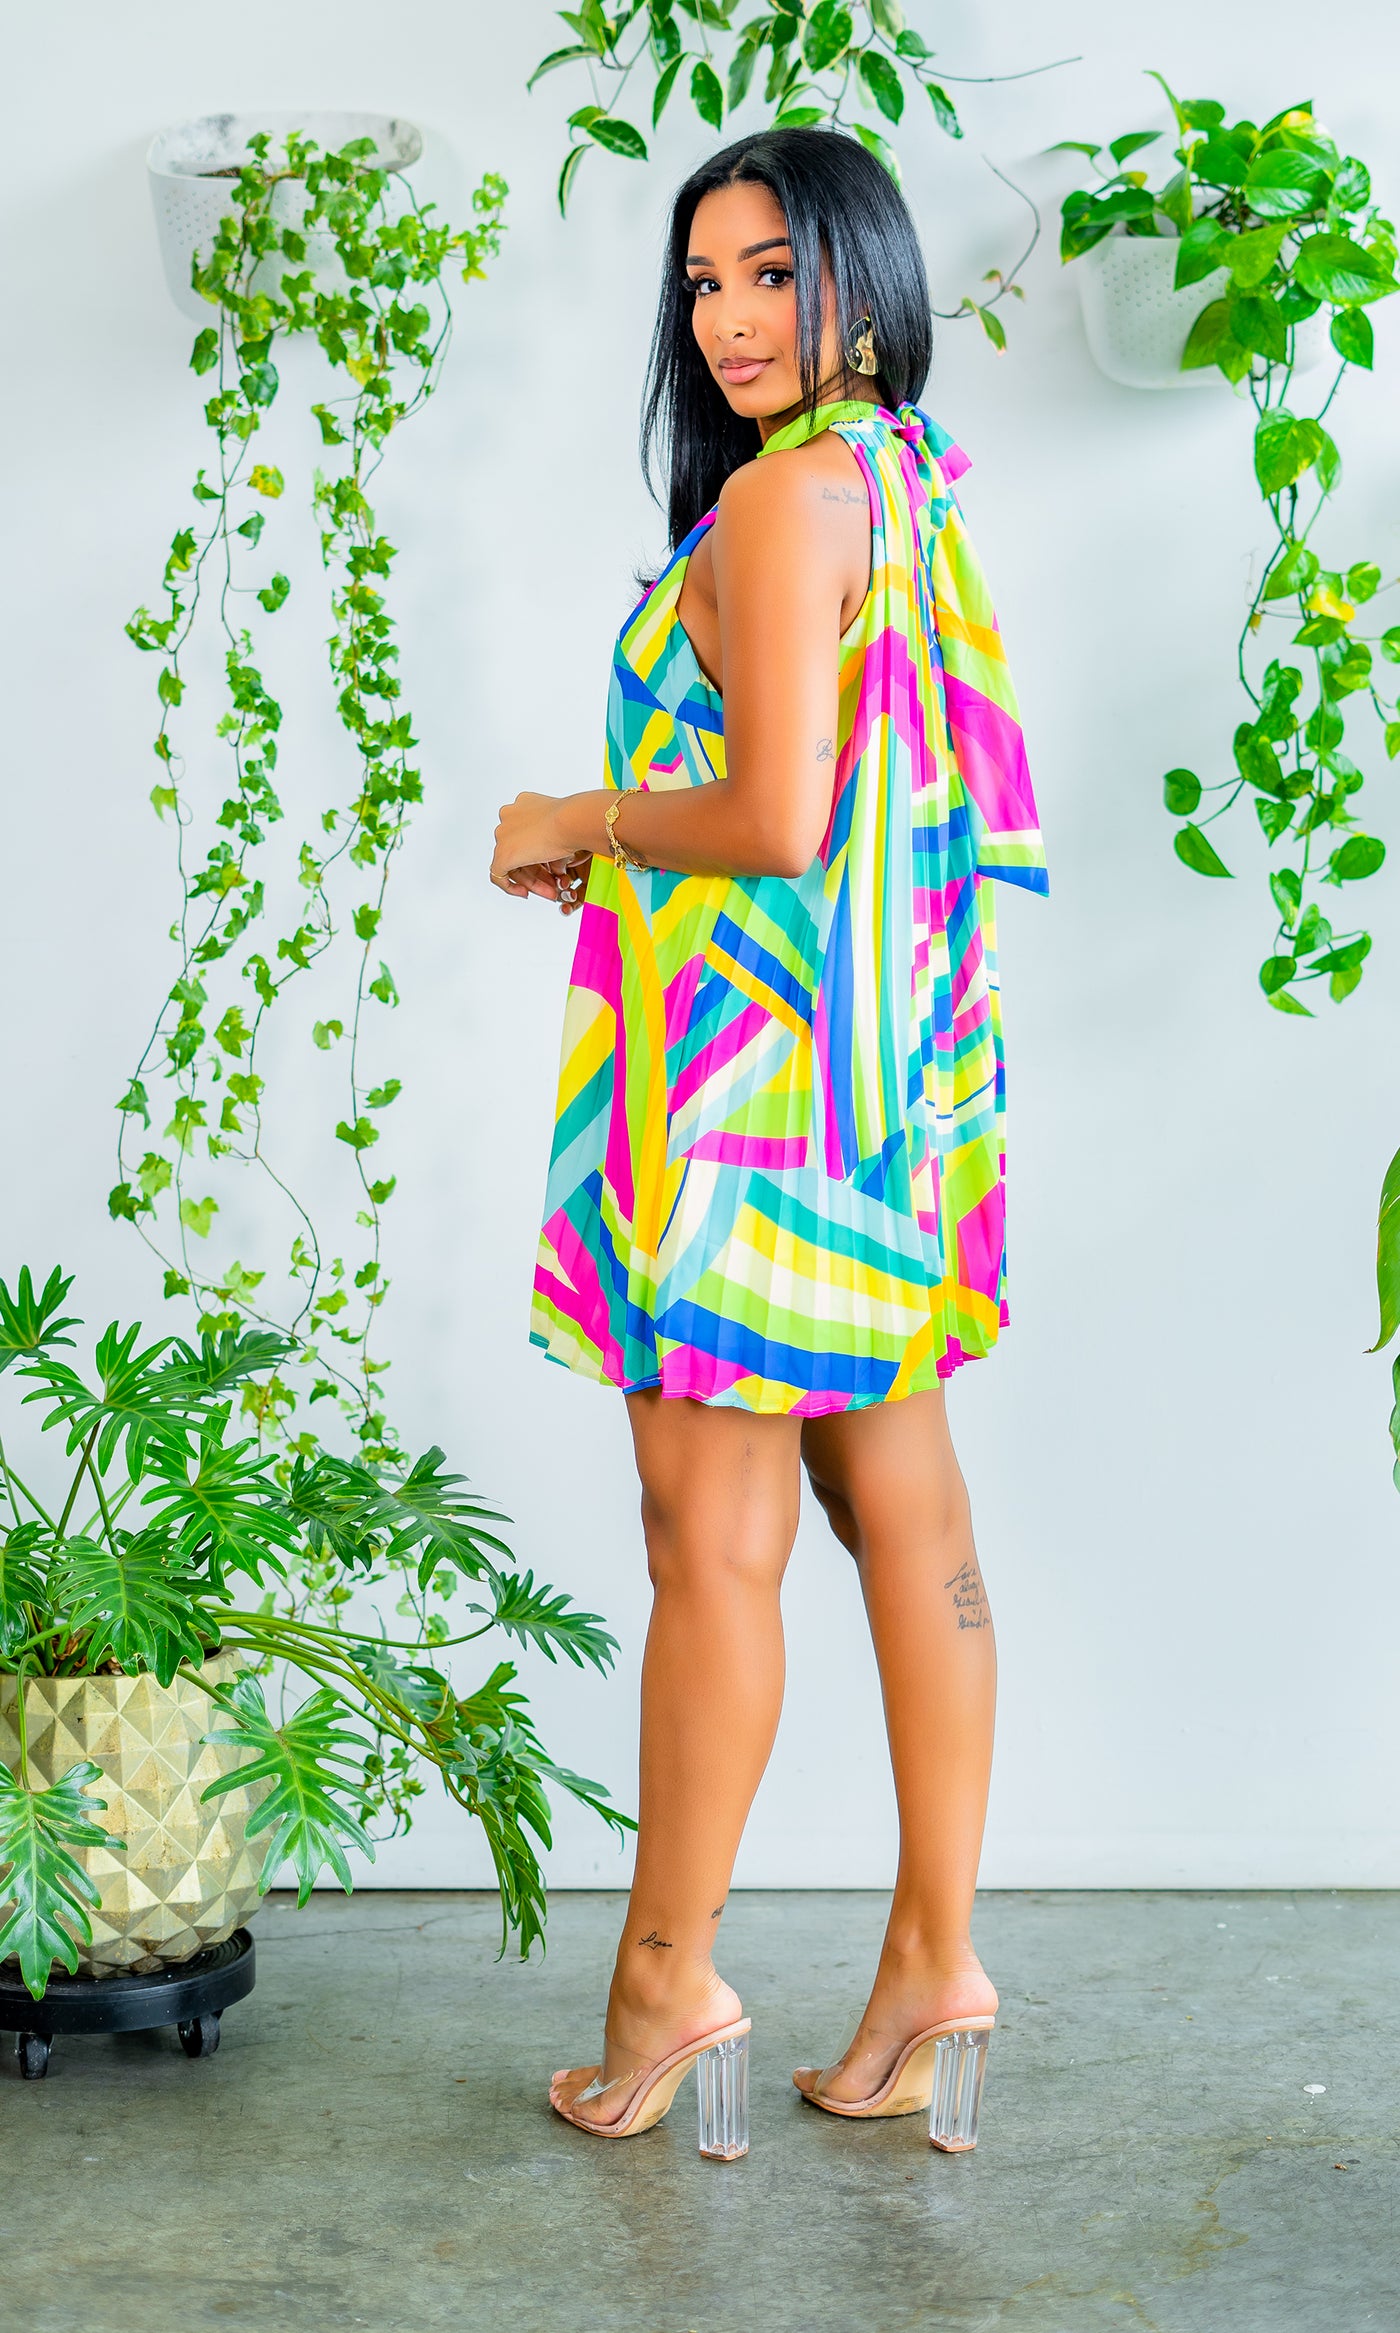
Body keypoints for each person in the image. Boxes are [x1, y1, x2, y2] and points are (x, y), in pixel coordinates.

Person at [489, 126, 1046, 2155]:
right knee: (912, 1515)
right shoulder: (897, 479)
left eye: (772, 272)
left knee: (707, 1542)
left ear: (862, 275)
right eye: (704, 282)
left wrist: (579, 818)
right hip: (884, 1088)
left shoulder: (784, 497)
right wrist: (650, 832)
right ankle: (932, 1963)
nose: (730, 318)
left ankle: (666, 1983)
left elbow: (779, 819)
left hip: (748, 1106)